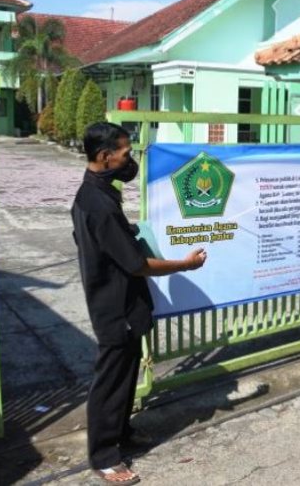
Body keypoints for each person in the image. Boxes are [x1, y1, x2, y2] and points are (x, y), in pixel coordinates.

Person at [72, 122, 208, 485]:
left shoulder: (100, 193)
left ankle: (122, 433)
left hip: (124, 301)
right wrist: (185, 264)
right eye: (125, 153)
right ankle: (103, 456)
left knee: (127, 374)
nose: (129, 159)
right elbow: (136, 265)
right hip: (113, 305)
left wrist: (127, 235)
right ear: (105, 157)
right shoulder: (97, 203)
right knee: (111, 381)